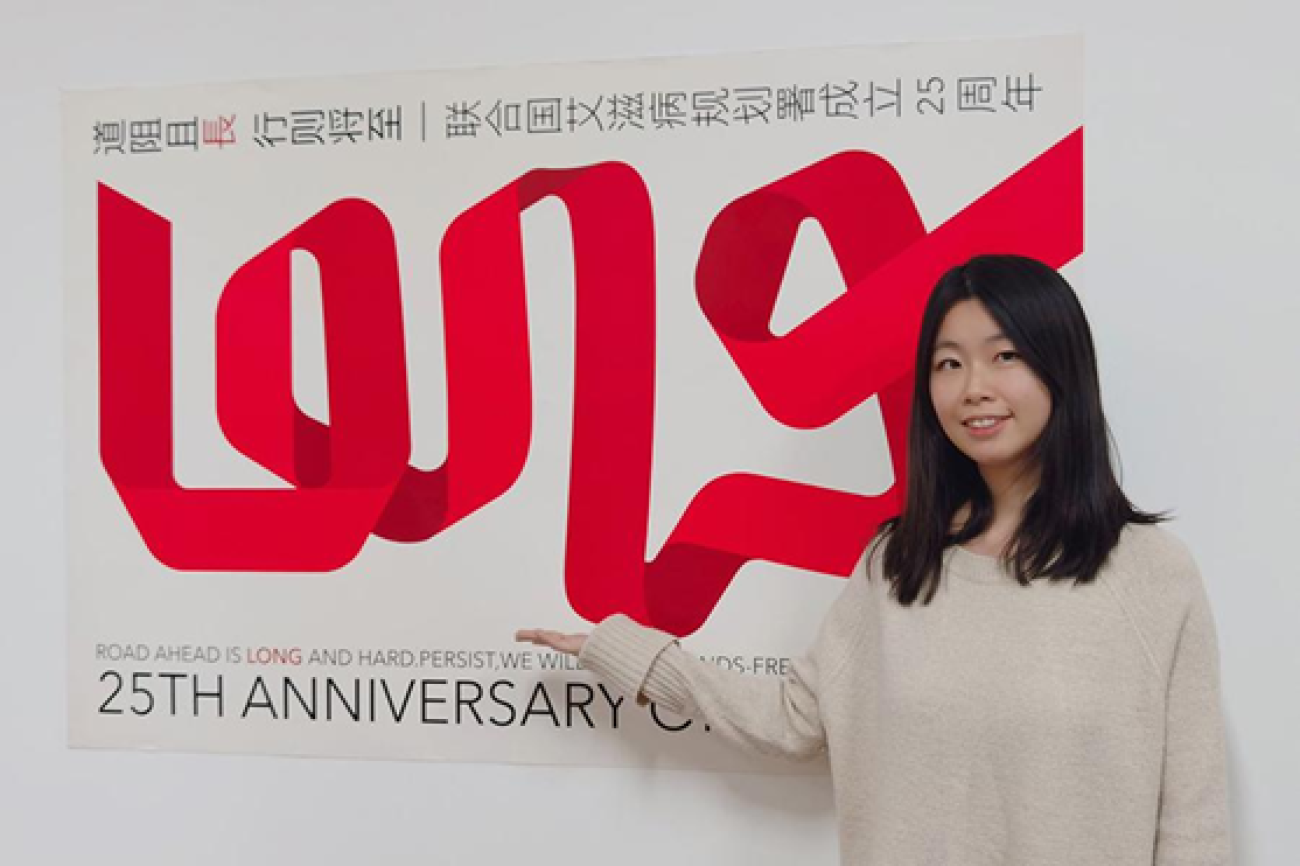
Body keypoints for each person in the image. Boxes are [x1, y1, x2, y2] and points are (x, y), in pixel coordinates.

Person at [517, 254, 1233, 866]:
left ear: (1062, 369)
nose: (973, 387)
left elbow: (1194, 825)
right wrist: (635, 657)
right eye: (949, 363)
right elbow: (795, 720)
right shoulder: (900, 565)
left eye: (1005, 356)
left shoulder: (1150, 575)